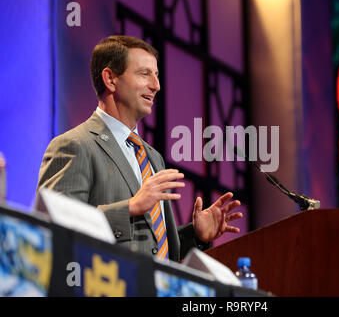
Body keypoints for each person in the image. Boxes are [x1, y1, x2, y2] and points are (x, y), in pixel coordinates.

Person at [37, 35, 243, 261]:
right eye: (144, 74)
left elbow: (154, 250)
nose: (156, 86)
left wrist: (196, 235)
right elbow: (54, 225)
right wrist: (130, 207)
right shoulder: (75, 145)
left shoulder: (152, 157)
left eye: (156, 75)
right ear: (110, 79)